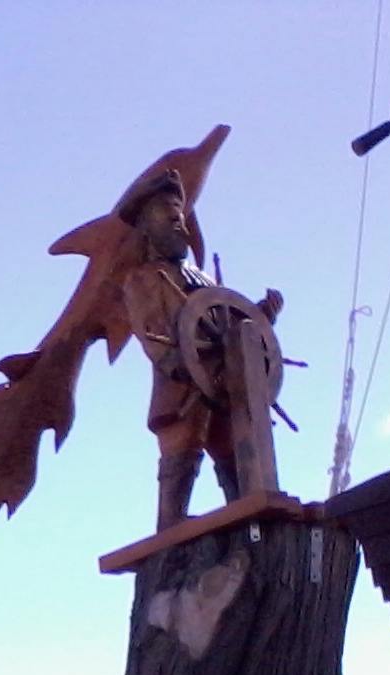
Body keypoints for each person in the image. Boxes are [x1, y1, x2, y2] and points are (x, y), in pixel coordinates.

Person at [119, 170, 283, 528]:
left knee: (236, 457)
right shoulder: (142, 279)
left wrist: (259, 319)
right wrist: (173, 360)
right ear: (146, 226)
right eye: (169, 215)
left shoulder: (204, 280)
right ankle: (172, 523)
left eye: (181, 217)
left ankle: (246, 517)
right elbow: (150, 330)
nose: (179, 224)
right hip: (179, 390)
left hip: (223, 387)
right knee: (181, 453)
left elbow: (227, 320)